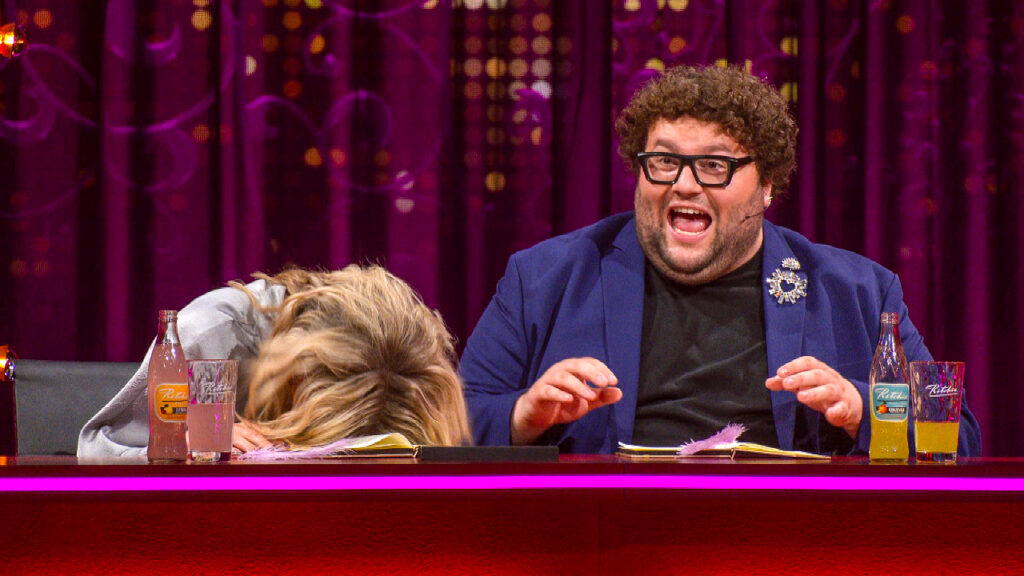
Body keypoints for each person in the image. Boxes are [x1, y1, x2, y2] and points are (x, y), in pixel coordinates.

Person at [460, 64, 981, 456]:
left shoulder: (858, 291)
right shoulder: (544, 279)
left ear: (768, 184)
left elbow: (959, 439)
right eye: (664, 161)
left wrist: (862, 410)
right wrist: (522, 417)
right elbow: (447, 425)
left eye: (714, 165)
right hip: (606, 536)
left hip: (786, 537)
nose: (684, 184)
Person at [78, 265, 471, 458]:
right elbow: (97, 451)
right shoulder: (211, 334)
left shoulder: (410, 353)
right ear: (300, 375)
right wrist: (186, 447)